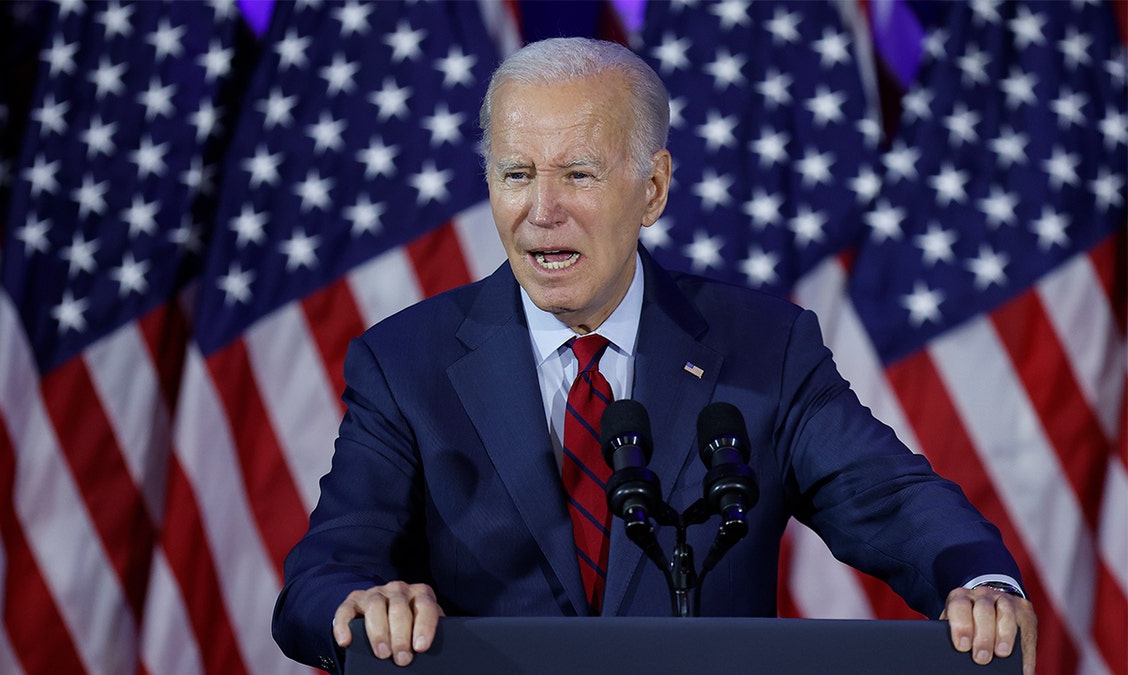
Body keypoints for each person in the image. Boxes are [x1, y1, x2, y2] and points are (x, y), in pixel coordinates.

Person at [272, 37, 1037, 674]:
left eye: (578, 174)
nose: (542, 213)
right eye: (516, 175)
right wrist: (360, 602)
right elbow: (322, 572)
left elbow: (891, 500)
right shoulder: (406, 363)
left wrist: (979, 579)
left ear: (654, 189)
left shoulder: (763, 348)